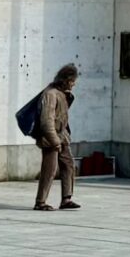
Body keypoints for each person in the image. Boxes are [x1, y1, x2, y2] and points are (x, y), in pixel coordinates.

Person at [33, 64, 80, 211]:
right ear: (65, 80)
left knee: (68, 165)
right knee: (50, 169)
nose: (74, 84)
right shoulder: (51, 94)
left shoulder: (62, 93)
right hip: (50, 138)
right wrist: (54, 141)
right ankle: (40, 202)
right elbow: (47, 121)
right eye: (72, 81)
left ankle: (66, 198)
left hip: (61, 136)